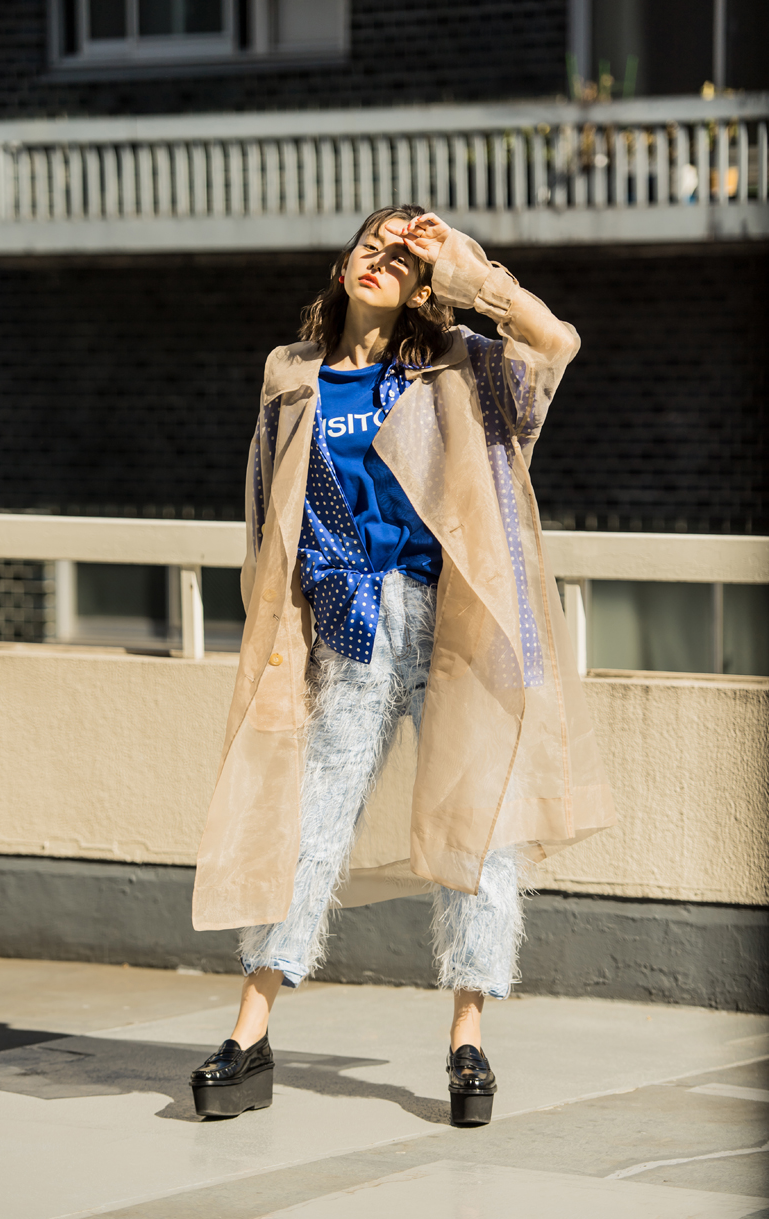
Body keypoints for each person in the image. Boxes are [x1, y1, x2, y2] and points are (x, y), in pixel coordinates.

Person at [189, 207, 615, 1127]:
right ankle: (250, 1034)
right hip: (345, 627)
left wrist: (463, 266)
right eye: (369, 244)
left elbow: (555, 341)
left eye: (402, 254)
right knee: (308, 825)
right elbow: (267, 519)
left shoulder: (459, 368)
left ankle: (467, 1040)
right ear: (341, 264)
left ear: (425, 286)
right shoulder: (291, 375)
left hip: (455, 623)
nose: (380, 258)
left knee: (480, 832)